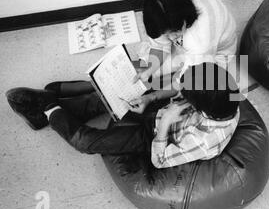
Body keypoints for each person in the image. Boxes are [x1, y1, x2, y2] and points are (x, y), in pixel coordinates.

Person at [6, 62, 240, 173]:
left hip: (154, 138)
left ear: (202, 110)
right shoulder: (222, 95)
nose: (182, 91)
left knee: (86, 142)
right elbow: (181, 90)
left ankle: (48, 107)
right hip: (165, 113)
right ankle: (57, 104)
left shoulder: (204, 141)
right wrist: (151, 99)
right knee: (123, 93)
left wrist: (165, 123)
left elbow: (160, 160)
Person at [136, 0, 237, 83]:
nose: (171, 38)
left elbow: (187, 80)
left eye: (174, 32)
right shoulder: (162, 3)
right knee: (149, 70)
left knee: (201, 84)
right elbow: (160, 46)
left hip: (216, 51)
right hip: (189, 43)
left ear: (184, 21)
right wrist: (149, 71)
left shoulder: (201, 39)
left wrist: (151, 97)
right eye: (166, 34)